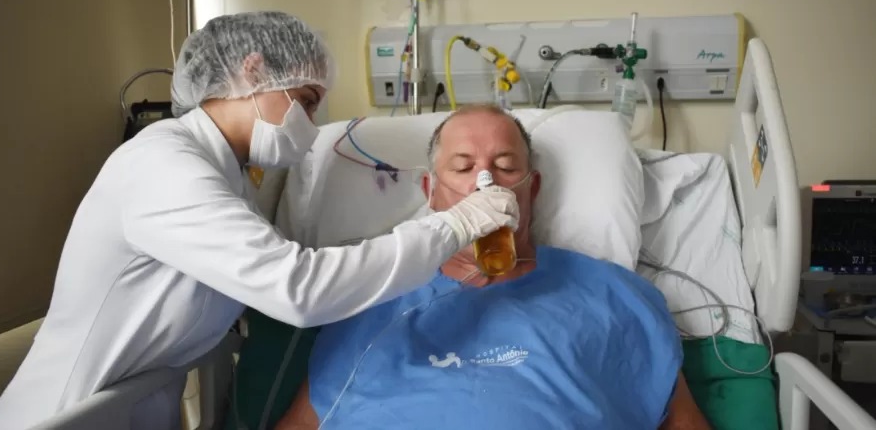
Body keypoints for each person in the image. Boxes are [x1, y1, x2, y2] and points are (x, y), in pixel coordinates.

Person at [0, 12, 519, 430]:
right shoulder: (162, 165)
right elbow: (299, 288)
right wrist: (452, 225)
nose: (311, 124)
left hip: (132, 407)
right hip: (66, 413)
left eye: (506, 166)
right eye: (306, 101)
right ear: (254, 70)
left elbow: (264, 278)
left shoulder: (231, 177)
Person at [274, 105, 711, 430]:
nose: (485, 182)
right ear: (431, 191)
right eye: (463, 167)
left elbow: (681, 421)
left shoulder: (612, 293)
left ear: (531, 189)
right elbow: (304, 423)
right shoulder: (374, 291)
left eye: (505, 166)